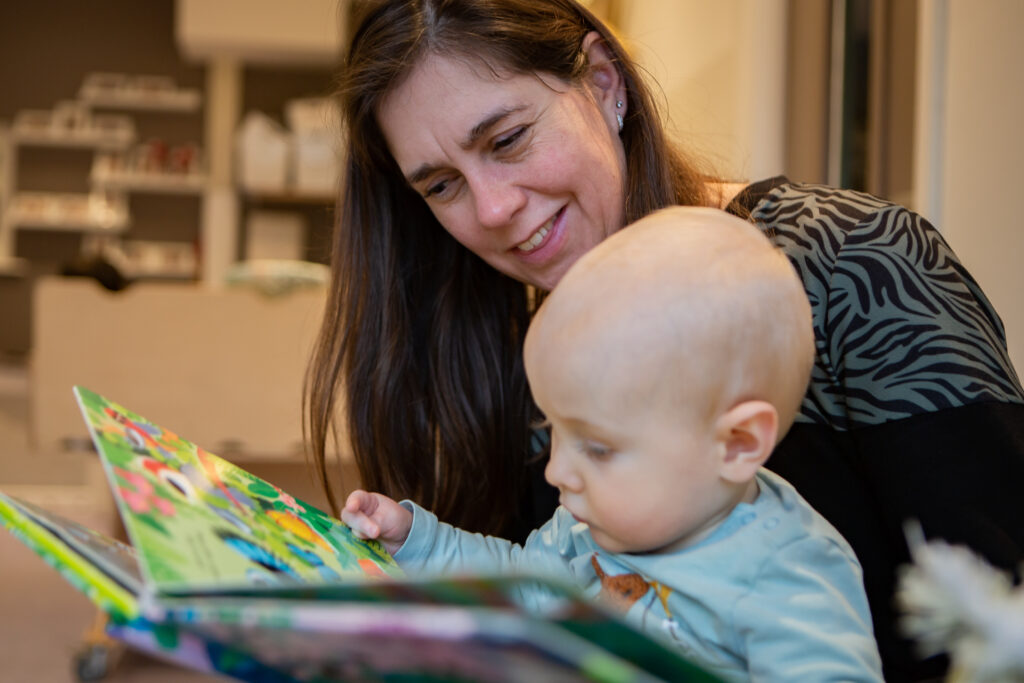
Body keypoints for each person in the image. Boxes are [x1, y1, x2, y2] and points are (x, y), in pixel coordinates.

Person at [304, 1, 1024, 679]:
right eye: (441, 186)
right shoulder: (534, 350)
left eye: (508, 138)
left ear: (605, 85)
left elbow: (1004, 608)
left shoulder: (855, 267)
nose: (492, 209)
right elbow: (532, 594)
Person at [342, 206, 885, 682]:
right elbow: (516, 585)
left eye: (597, 448)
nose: (557, 471)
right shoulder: (588, 528)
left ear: (738, 444)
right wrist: (418, 540)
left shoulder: (789, 577)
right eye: (551, 432)